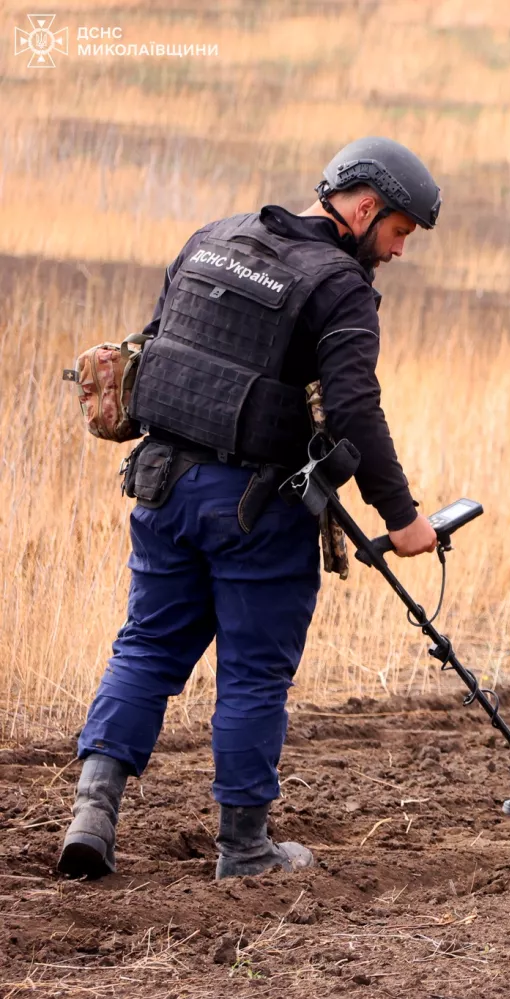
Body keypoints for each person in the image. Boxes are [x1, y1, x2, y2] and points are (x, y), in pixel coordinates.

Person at [57, 137, 443, 880]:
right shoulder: (340, 286)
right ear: (365, 207)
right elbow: (356, 409)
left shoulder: (214, 238)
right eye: (399, 233)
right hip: (254, 510)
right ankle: (245, 849)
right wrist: (404, 518)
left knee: (146, 648)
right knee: (253, 676)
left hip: (162, 488)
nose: (397, 252)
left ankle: (92, 816)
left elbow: (159, 347)